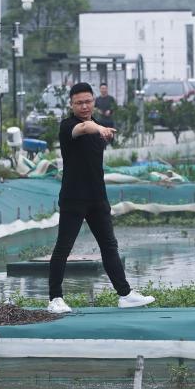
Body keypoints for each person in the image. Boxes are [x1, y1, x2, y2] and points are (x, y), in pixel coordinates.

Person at [47, 82, 155, 314]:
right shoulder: (68, 126)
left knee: (109, 246)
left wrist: (101, 129)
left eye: (88, 101)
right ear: (71, 104)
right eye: (79, 103)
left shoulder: (99, 128)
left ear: (94, 101)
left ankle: (125, 294)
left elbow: (92, 133)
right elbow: (83, 129)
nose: (84, 106)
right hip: (73, 198)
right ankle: (55, 298)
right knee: (63, 247)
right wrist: (98, 128)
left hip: (97, 197)